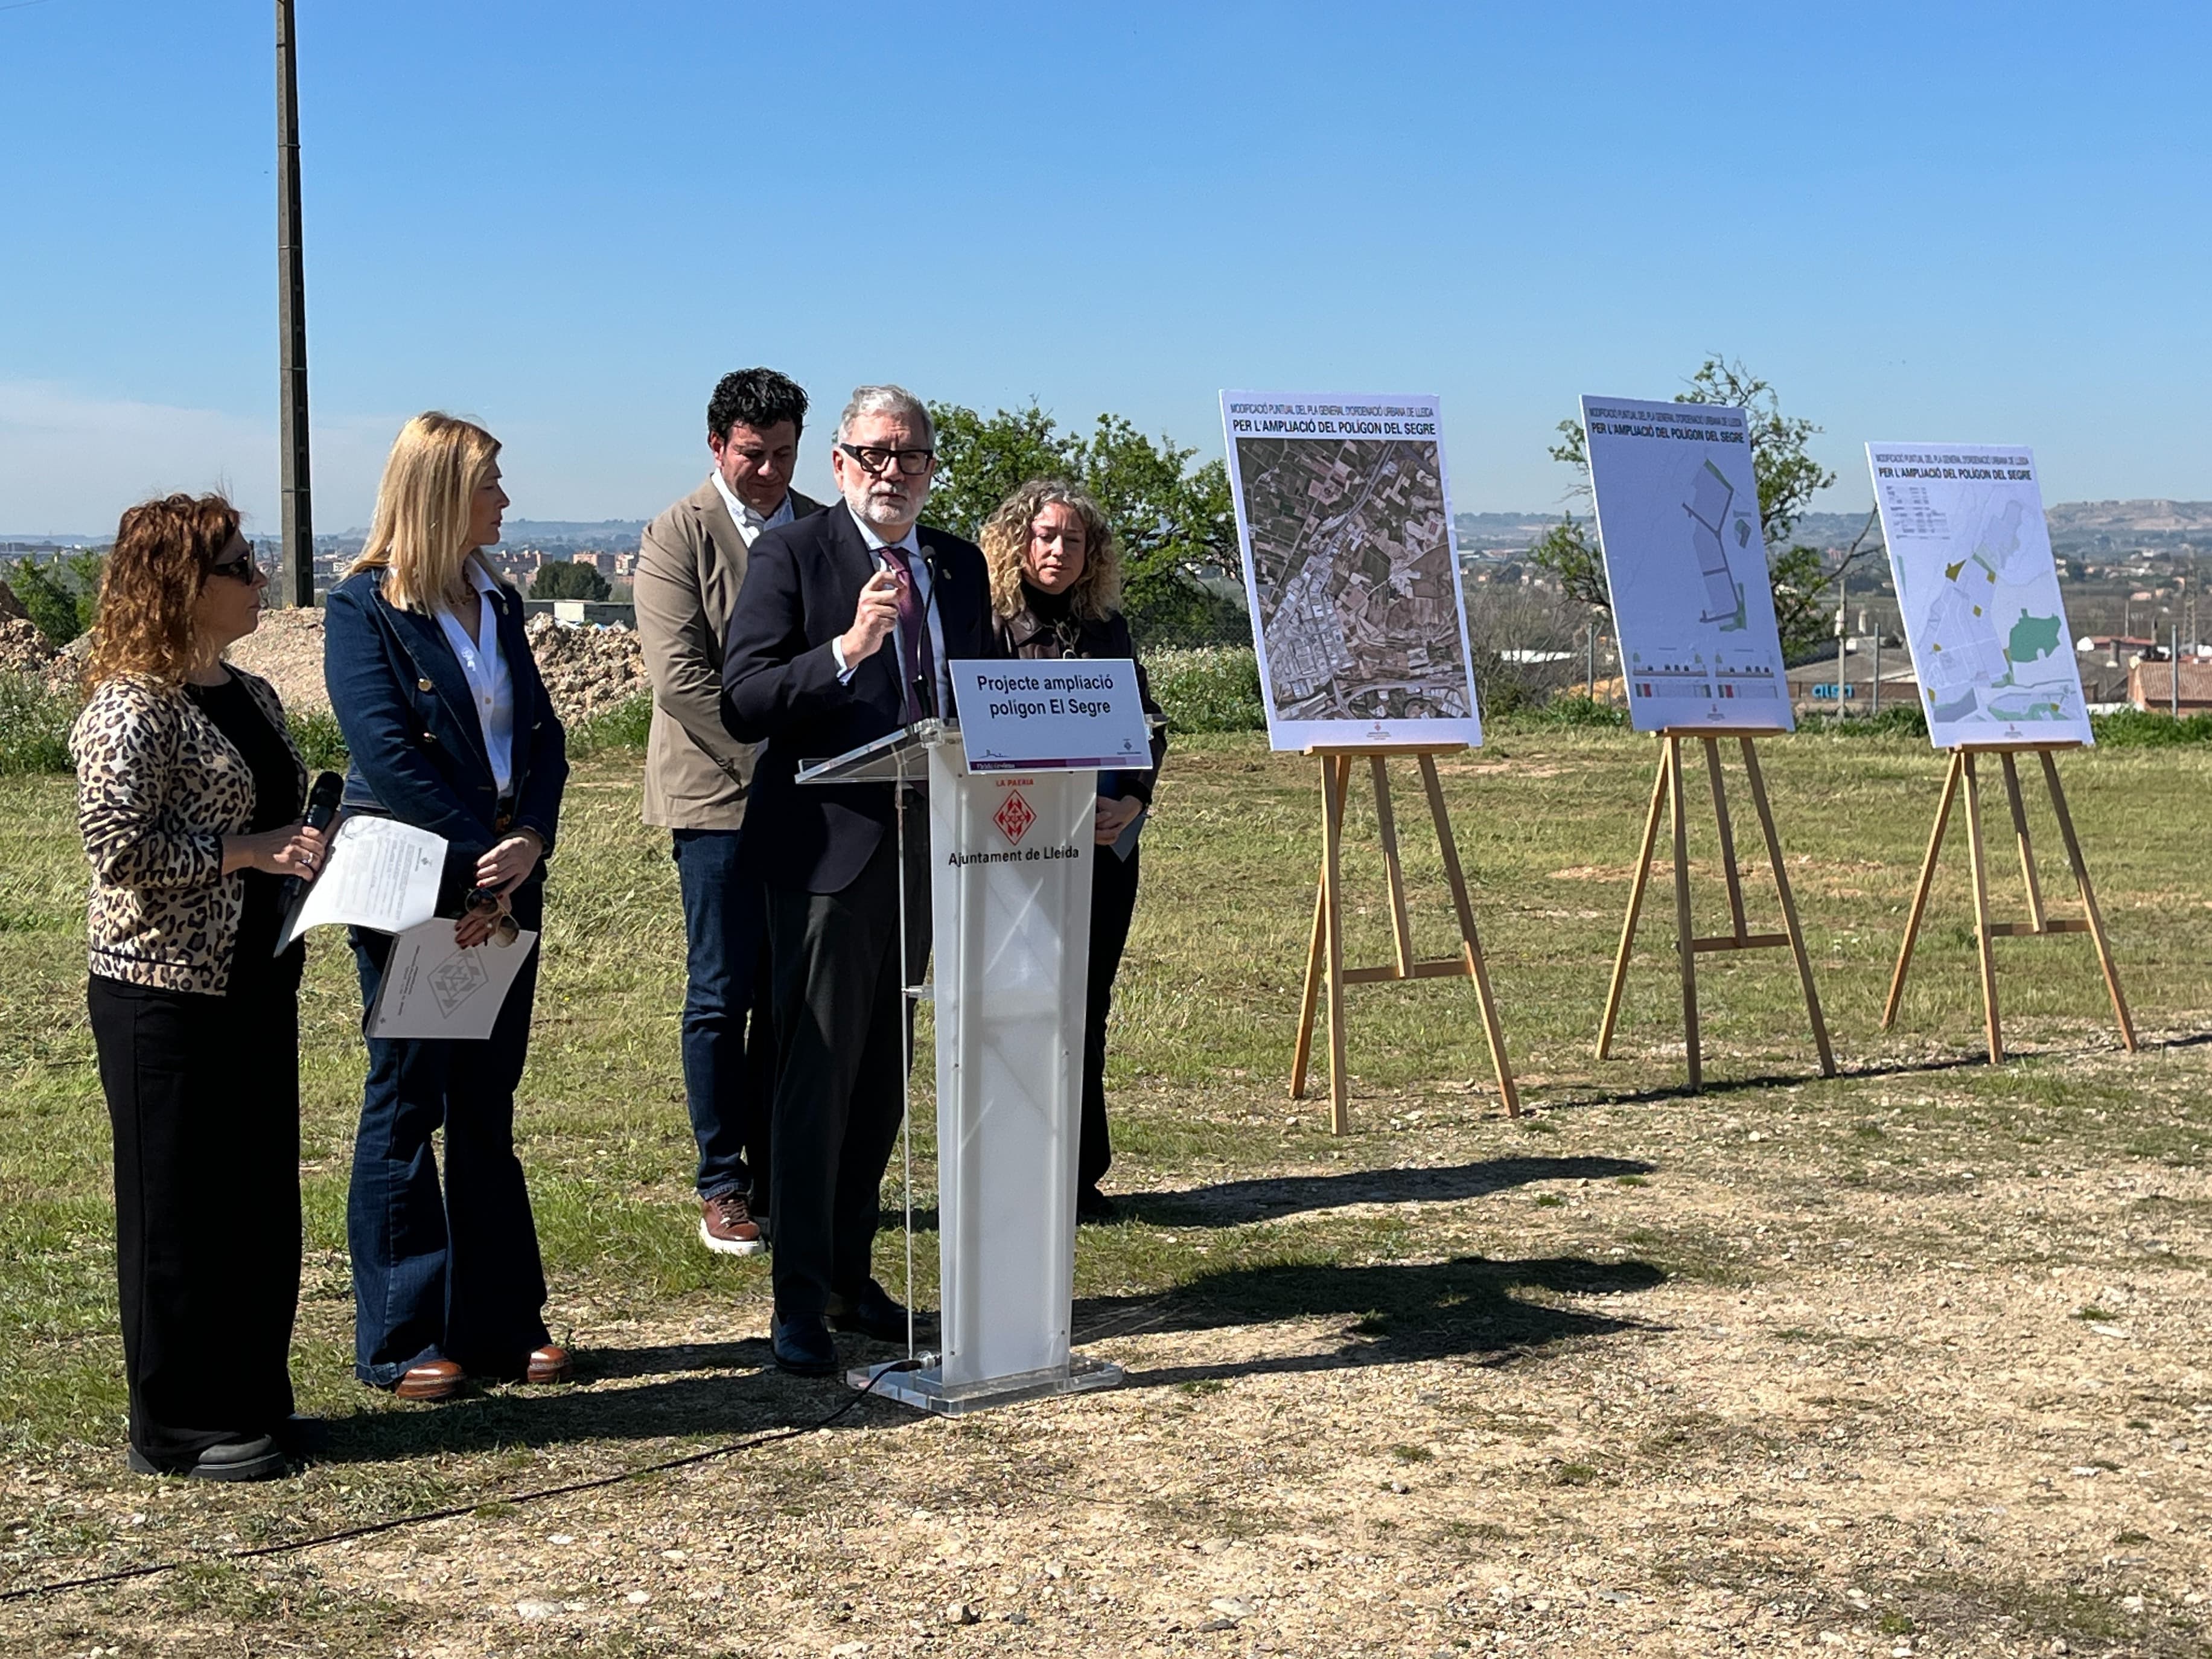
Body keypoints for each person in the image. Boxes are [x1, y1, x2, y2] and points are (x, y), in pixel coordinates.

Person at [722, 384, 1000, 1375]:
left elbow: (985, 699)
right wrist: (846, 649)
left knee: (881, 1079)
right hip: (825, 856)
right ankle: (795, 1301)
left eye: (911, 456)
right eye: (874, 455)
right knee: (816, 1084)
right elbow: (746, 696)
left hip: (930, 848)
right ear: (838, 464)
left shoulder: (962, 567)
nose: (893, 472)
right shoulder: (794, 556)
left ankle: (849, 1272)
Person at [73, 493, 327, 1480]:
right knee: (177, 1211)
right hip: (163, 990)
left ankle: (254, 1398)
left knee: (258, 1204)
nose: (261, 574)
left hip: (257, 978)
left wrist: (308, 850)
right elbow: (118, 848)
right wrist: (249, 850)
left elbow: (272, 820)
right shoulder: (130, 705)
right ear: (183, 583)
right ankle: (174, 1424)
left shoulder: (253, 694)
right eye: (239, 562)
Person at [324, 412, 571, 1401]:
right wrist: (480, 863)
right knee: (410, 1093)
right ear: (439, 493)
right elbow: (387, 756)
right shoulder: (364, 610)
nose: (505, 502)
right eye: (490, 485)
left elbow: (544, 738)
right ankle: (401, 1334)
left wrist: (533, 839)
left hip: (506, 872)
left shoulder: (496, 602)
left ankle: (501, 1323)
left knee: (486, 1101)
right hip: (415, 876)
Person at [636, 369, 823, 1258]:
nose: (769, 473)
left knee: (792, 992)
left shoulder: (826, 526)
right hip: (717, 798)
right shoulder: (675, 535)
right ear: (716, 446)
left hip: (820, 797)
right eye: (754, 455)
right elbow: (680, 681)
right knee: (722, 991)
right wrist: (773, 762)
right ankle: (722, 1181)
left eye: (784, 455)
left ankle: (782, 1166)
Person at [980, 480, 1167, 1220]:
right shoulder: (985, 625)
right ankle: (1011, 1167)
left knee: (1085, 1007)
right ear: (1017, 541)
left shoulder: (1107, 627)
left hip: (1102, 851)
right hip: (1013, 850)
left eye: (1073, 540)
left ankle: (1078, 1174)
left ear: (1092, 555)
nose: (1057, 551)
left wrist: (1136, 799)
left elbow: (1147, 725)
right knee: (1016, 1006)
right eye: (1044, 536)